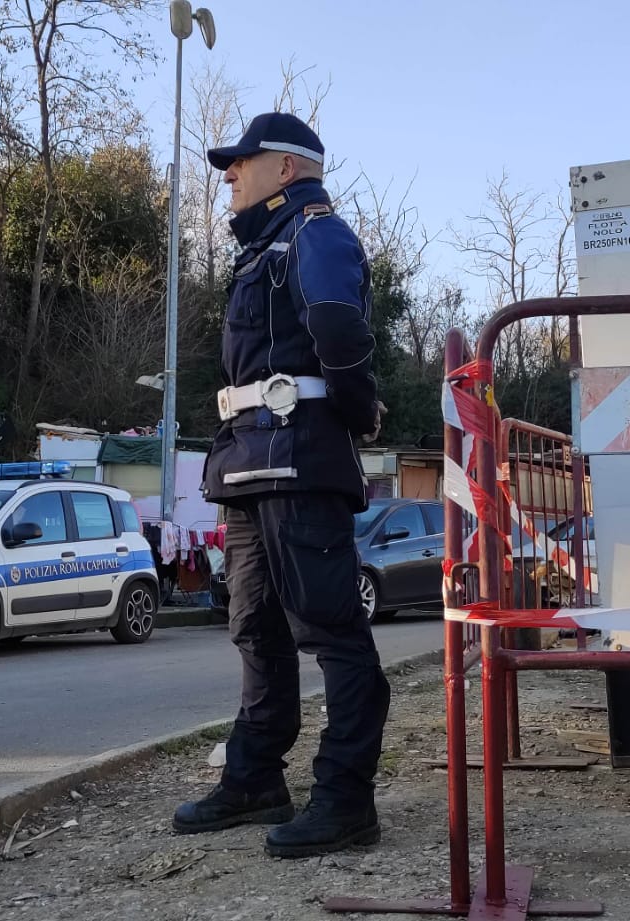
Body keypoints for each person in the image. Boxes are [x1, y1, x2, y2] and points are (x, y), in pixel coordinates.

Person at [171, 112, 390, 858]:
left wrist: (356, 415)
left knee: (330, 630)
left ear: (288, 170)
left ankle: (346, 799)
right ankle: (255, 776)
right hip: (246, 464)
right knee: (254, 628)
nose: (230, 173)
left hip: (298, 458)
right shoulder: (263, 246)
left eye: (243, 161)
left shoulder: (316, 234)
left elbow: (338, 329)